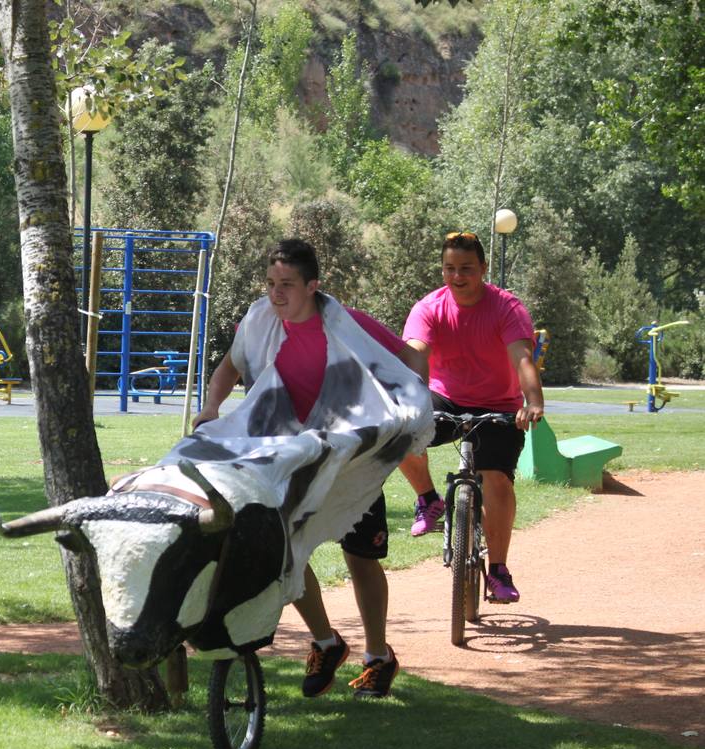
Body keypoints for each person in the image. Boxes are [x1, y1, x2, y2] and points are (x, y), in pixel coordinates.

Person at [193, 239, 428, 699]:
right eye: (270, 284)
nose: (276, 294)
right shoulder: (259, 322)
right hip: (287, 454)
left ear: (312, 286)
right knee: (283, 550)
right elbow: (230, 367)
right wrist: (210, 408)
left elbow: (408, 356)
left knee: (360, 557)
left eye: (287, 286)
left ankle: (378, 657)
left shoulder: (347, 324)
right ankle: (326, 642)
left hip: (350, 456)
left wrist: (417, 400)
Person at [398, 231, 545, 603]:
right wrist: (409, 397)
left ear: (482, 268)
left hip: (499, 402)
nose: (457, 276)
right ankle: (429, 499)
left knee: (496, 478)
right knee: (398, 433)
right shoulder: (429, 307)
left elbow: (522, 358)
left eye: (466, 268)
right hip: (446, 398)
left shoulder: (507, 308)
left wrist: (533, 400)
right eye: (449, 268)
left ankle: (498, 570)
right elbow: (416, 351)